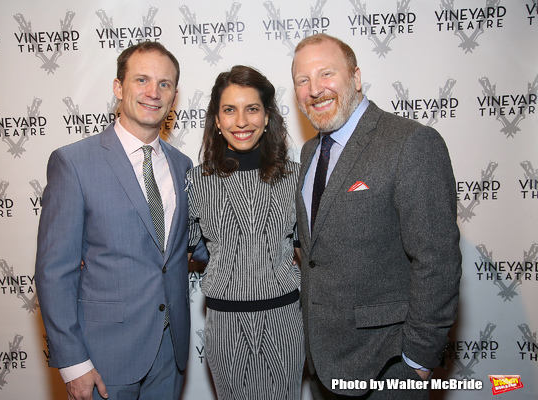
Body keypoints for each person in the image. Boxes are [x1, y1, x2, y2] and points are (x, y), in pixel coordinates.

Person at [291, 33, 462, 399]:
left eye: (326, 74)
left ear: (355, 77)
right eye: (302, 81)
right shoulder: (308, 153)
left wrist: (417, 358)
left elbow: (437, 259)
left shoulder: (410, 142)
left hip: (387, 363)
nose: (315, 89)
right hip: (324, 363)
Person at [36, 42, 204, 400]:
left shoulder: (183, 166)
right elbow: (54, 271)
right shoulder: (74, 163)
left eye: (164, 84)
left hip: (169, 352)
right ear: (118, 87)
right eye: (141, 79)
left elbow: (195, 246)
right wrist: (73, 362)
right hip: (102, 357)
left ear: (174, 96)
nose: (153, 93)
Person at [187, 65, 305, 399]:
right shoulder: (197, 181)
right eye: (230, 110)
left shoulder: (296, 177)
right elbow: (173, 254)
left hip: (285, 321)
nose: (241, 121)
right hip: (224, 324)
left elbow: (312, 257)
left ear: (267, 117)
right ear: (217, 120)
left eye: (252, 109)